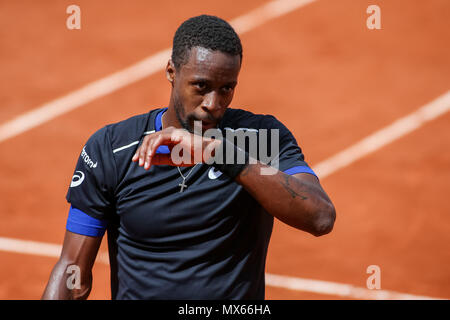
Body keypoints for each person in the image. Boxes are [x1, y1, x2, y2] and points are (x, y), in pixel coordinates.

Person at [42, 14, 336, 300]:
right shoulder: (111, 150)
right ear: (171, 71)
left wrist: (217, 151)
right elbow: (73, 270)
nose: (213, 103)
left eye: (227, 89)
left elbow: (320, 217)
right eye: (201, 86)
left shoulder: (260, 139)